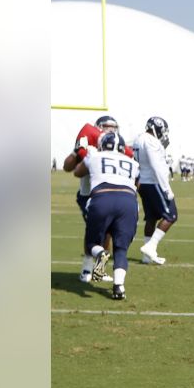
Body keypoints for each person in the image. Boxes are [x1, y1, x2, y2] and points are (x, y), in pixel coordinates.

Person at [73, 130, 141, 300]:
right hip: (128, 200)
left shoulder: (94, 156)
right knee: (121, 249)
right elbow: (137, 183)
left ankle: (100, 254)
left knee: (91, 244)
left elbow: (77, 172)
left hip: (102, 197)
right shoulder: (132, 162)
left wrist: (85, 153)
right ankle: (119, 287)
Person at [63, 114, 123, 281]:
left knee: (108, 233)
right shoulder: (90, 147)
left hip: (109, 195)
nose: (110, 131)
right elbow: (68, 167)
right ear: (98, 128)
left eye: (114, 127)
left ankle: (99, 269)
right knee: (95, 232)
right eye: (107, 127)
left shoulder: (117, 149)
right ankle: (87, 269)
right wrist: (77, 151)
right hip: (89, 196)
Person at [133, 117, 175, 265]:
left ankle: (146, 257)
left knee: (151, 218)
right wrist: (166, 188)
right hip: (154, 182)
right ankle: (151, 246)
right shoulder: (151, 141)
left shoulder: (139, 139)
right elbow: (156, 165)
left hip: (144, 182)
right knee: (171, 215)